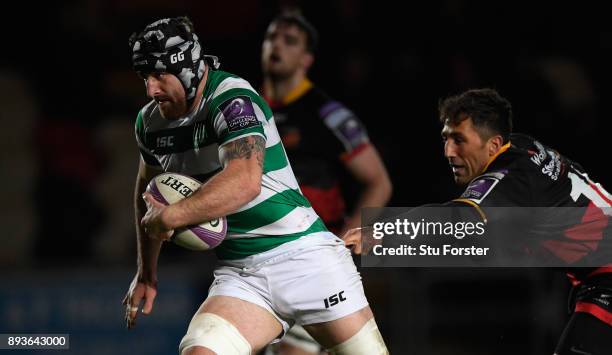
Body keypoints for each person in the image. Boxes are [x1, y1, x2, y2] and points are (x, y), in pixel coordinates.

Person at [121, 17, 389, 355]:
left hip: (307, 260)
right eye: (145, 76)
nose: (151, 89)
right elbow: (147, 189)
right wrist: (146, 272)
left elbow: (244, 182)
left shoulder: (231, 98)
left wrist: (174, 216)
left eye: (160, 75)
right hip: (242, 276)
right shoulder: (150, 122)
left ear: (187, 67)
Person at [343, 88, 612, 354]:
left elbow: (458, 220)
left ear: (493, 144)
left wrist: (382, 232)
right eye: (446, 139)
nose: (449, 151)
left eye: (459, 140)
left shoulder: (510, 179)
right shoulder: (521, 146)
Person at [260, 13, 392, 354]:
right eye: (272, 37)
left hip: (311, 260)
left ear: (307, 60)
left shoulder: (328, 114)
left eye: (290, 41)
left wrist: (344, 241)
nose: (277, 45)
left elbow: (379, 182)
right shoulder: (246, 110)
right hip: (259, 259)